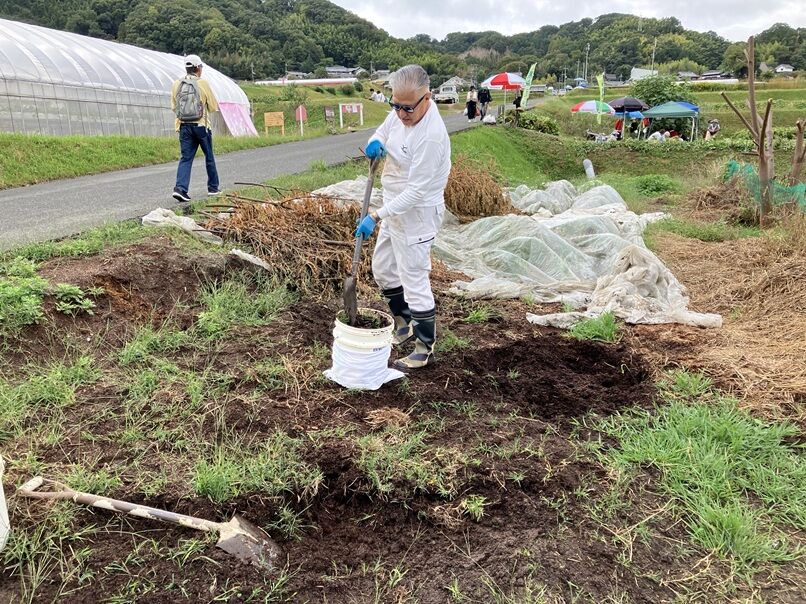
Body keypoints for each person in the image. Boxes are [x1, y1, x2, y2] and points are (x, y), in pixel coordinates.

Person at [356, 64, 451, 370]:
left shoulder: (431, 136)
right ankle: (404, 323)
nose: (400, 113)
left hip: (417, 214)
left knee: (414, 279)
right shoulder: (400, 111)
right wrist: (375, 142)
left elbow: (416, 193)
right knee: (383, 268)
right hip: (394, 207)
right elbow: (384, 130)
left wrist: (375, 216)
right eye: (395, 105)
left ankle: (424, 348)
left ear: (427, 98)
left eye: (407, 108)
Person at [171, 54, 221, 206]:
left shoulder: (177, 84)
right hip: (201, 126)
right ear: (198, 68)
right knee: (209, 156)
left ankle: (180, 189)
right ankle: (213, 188)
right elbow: (213, 106)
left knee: (186, 158)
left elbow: (174, 107)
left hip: (183, 126)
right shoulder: (203, 83)